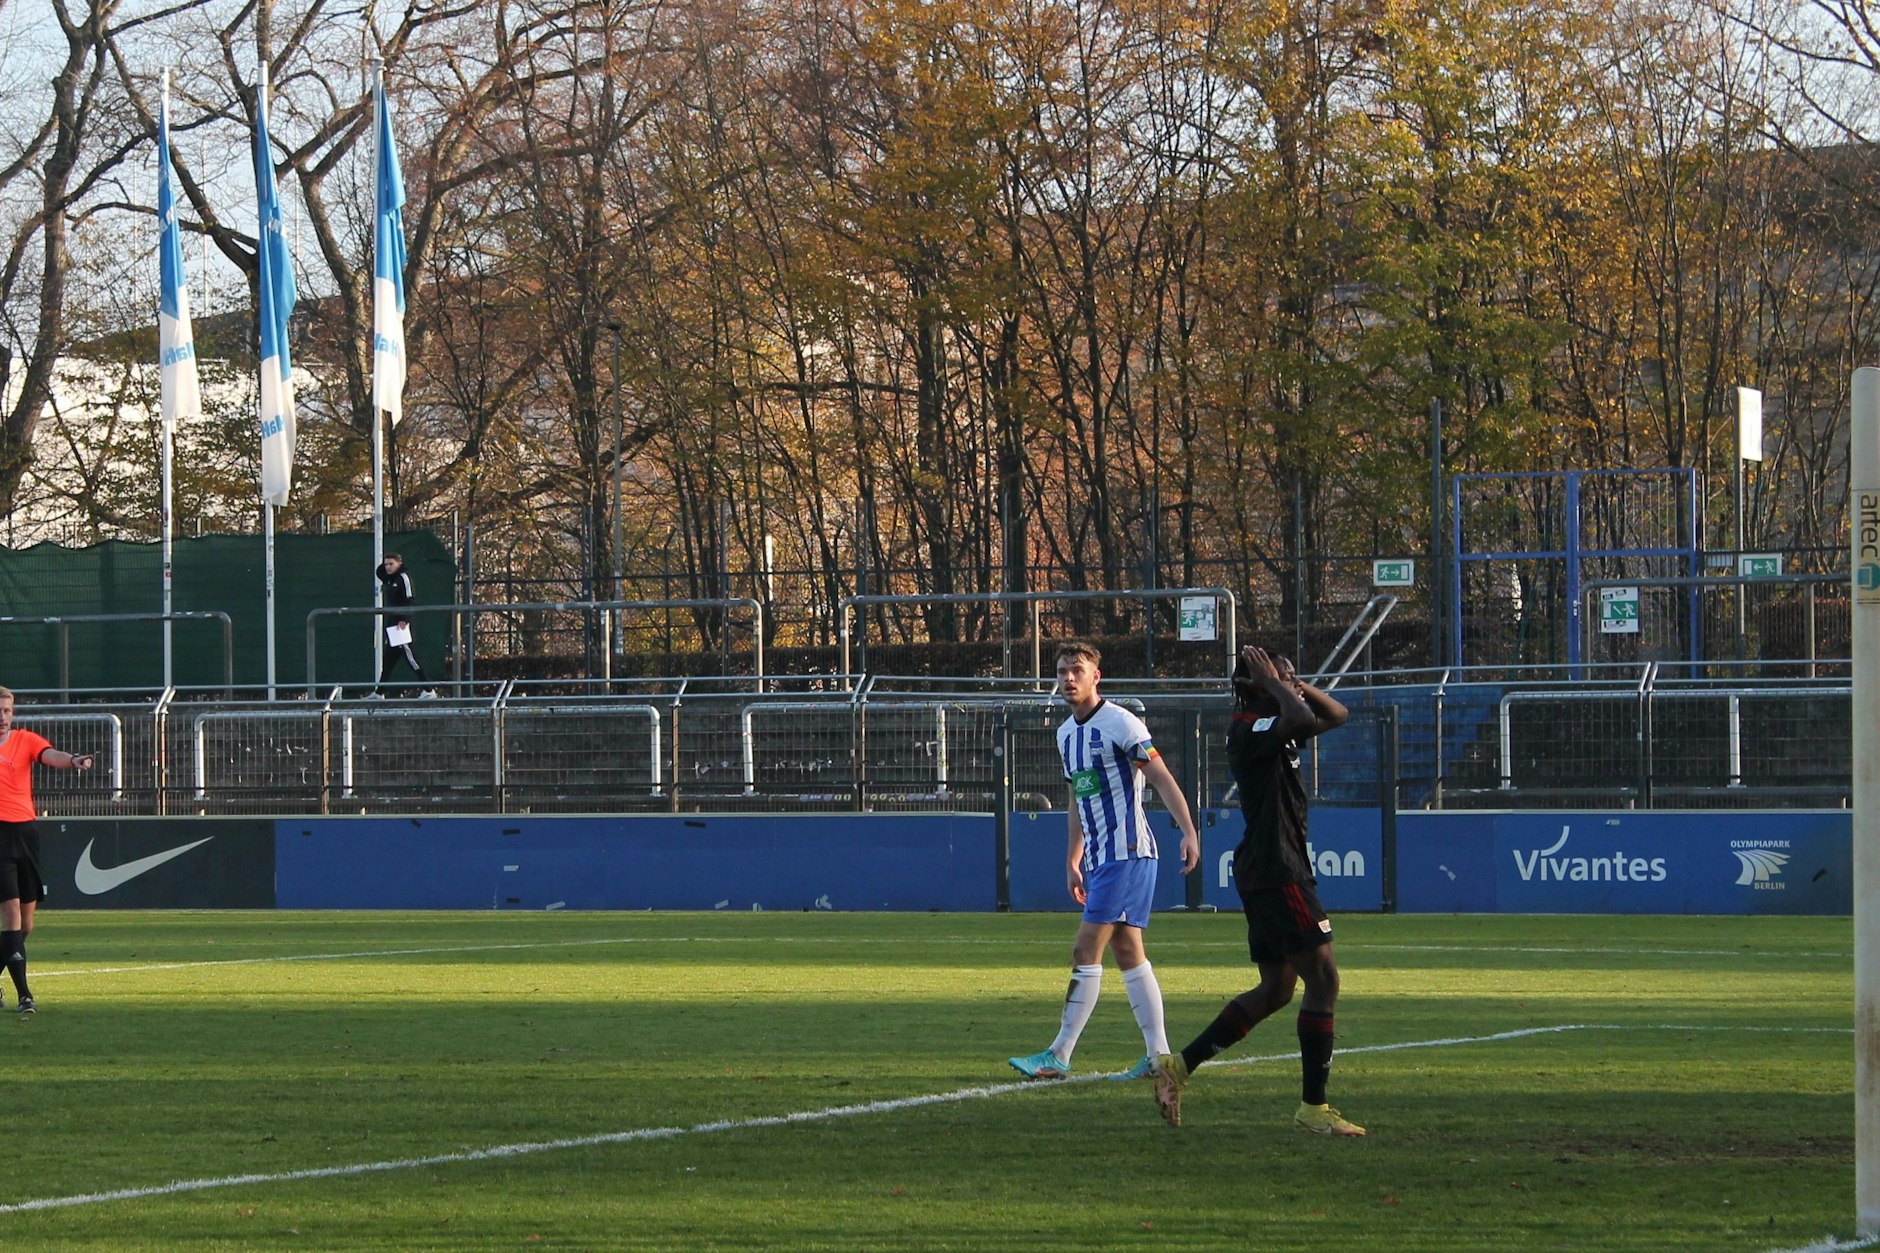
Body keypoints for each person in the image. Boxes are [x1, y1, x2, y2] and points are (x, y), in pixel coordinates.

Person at [1153, 644, 1363, 1135]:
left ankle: (1178, 1067)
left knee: (1276, 989)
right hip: (1277, 868)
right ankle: (1313, 1109)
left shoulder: (1278, 723)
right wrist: (1275, 687)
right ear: (1255, 687)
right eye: (1279, 676)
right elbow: (1304, 720)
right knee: (1325, 978)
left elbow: (1336, 713)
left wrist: (1293, 682)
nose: (1291, 684)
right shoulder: (1250, 728)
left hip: (1274, 866)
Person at [1008, 641, 1201, 1082]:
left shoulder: (1120, 723)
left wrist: (1189, 831)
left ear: (1097, 677)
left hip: (1129, 854)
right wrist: (1073, 857)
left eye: (1077, 670)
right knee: (1129, 952)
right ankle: (1159, 1057)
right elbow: (1078, 795)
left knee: (1084, 948)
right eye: (1061, 671)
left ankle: (1058, 1055)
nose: (1068, 678)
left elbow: (1161, 776)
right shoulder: (1065, 735)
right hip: (1100, 860)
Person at [0, 687, 94, 1016]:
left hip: (25, 834)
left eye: (7, 711)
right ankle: (25, 996)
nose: (2, 717)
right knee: (10, 915)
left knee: (25, 925)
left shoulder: (25, 740)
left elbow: (49, 755)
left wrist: (73, 760)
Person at [373, 553, 436, 698]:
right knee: (388, 660)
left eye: (391, 564)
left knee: (411, 658)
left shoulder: (403, 578)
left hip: (402, 625)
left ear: (399, 563)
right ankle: (379, 693)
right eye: (386, 564)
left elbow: (411, 600)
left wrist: (404, 618)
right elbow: (380, 573)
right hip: (392, 624)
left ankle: (428, 690)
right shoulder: (391, 579)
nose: (388, 567)